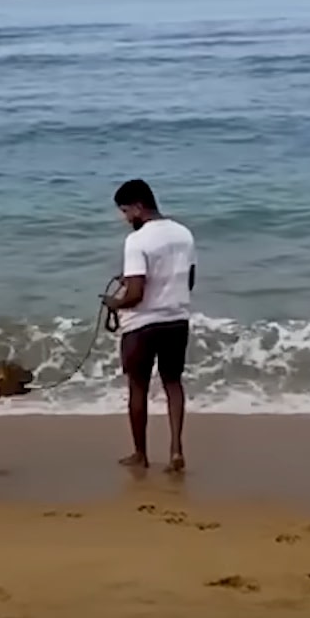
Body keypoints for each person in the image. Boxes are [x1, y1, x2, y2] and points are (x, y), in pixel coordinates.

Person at [103, 179, 196, 473]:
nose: (125, 218)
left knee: (138, 387)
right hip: (176, 320)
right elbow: (188, 281)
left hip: (142, 326)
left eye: (126, 211)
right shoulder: (184, 234)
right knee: (173, 384)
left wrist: (112, 303)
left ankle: (140, 454)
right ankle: (176, 451)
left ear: (139, 207)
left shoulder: (137, 241)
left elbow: (135, 294)